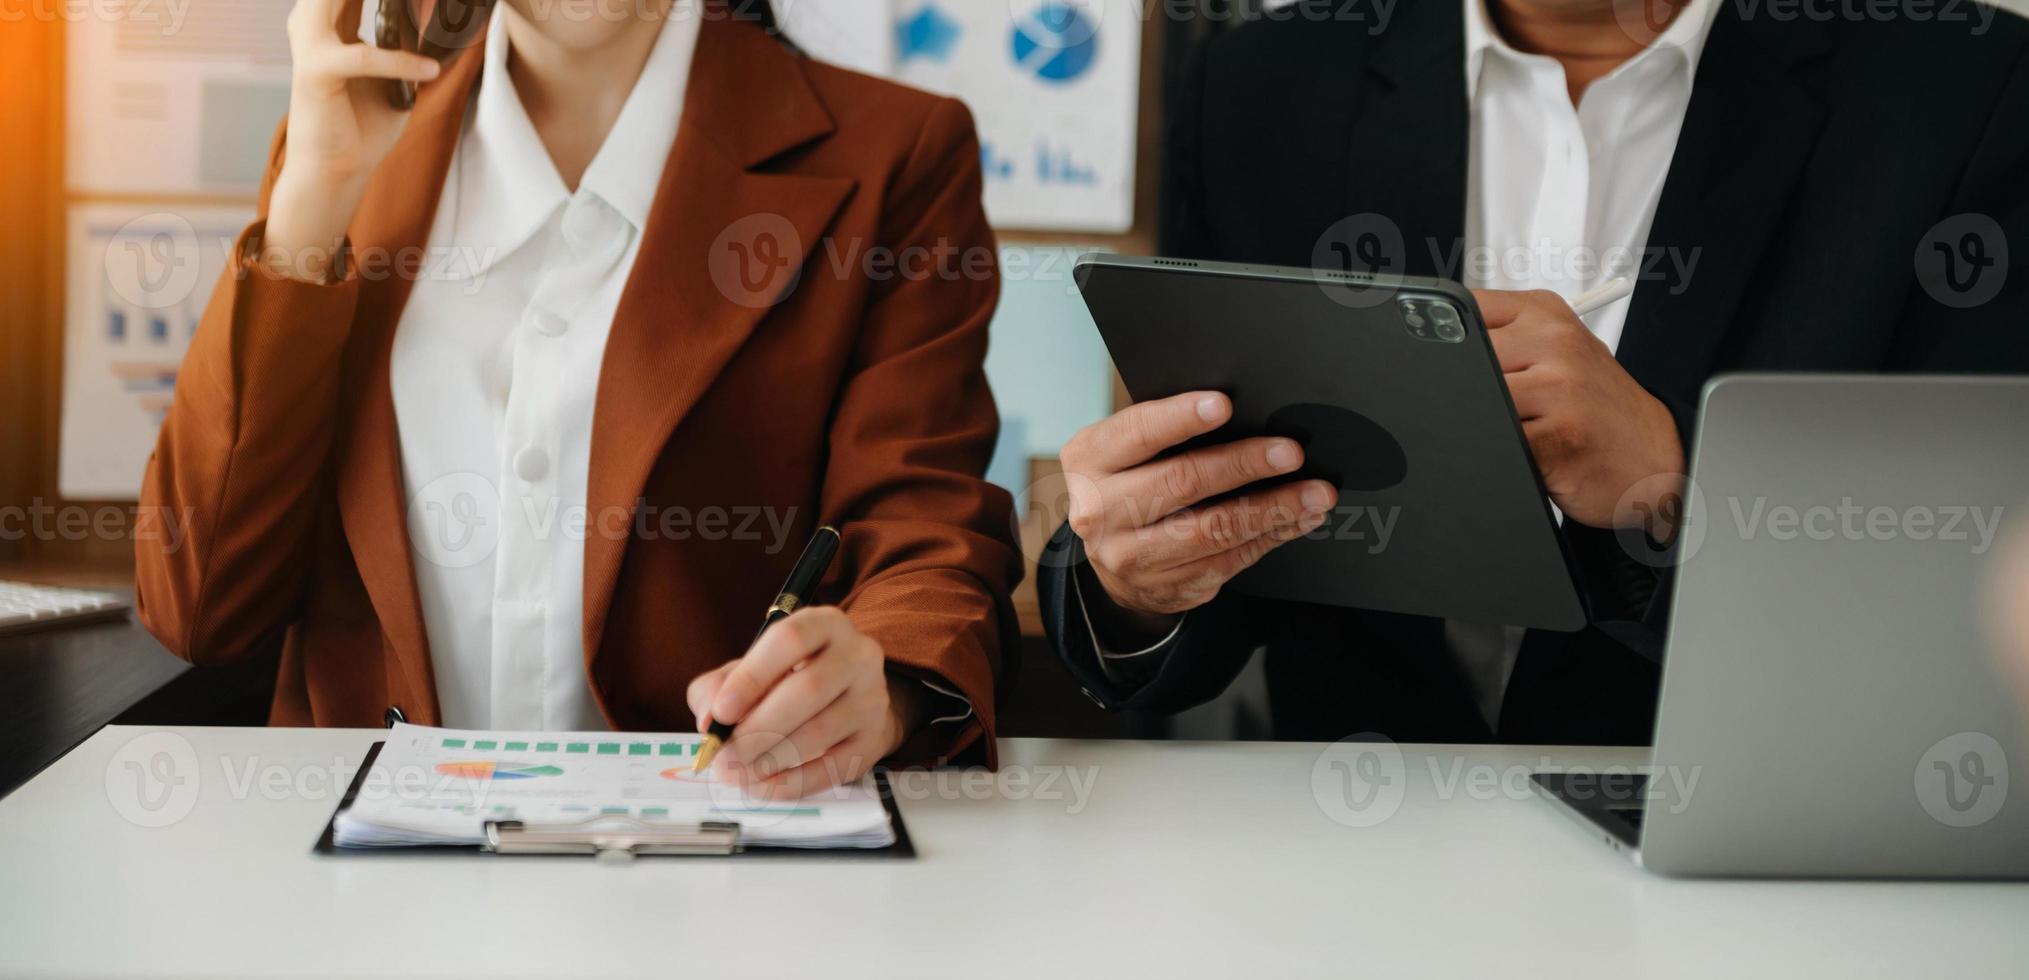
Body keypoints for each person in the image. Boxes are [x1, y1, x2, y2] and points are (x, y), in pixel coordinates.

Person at [1040, 0, 2029, 745]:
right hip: (1349, 856)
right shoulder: (1258, 85)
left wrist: (1677, 483)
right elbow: (1220, 569)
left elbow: (1976, 597)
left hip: (1763, 857)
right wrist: (1137, 589)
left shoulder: (1967, 89)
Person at [134, 0, 1022, 799]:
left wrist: (889, 682)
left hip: (713, 868)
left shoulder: (894, 152)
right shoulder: (346, 148)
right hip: (371, 880)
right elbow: (202, 607)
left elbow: (919, 529)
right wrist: (310, 213)